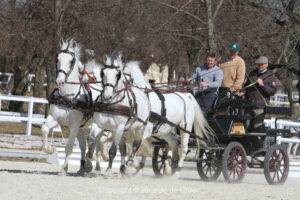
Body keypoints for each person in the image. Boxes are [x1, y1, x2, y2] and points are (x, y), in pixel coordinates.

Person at [245, 56, 279, 130]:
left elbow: (272, 91)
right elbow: (246, 86)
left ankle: (257, 141)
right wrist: (242, 92)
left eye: (262, 64)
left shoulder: (271, 76)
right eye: (259, 64)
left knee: (257, 128)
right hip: (248, 104)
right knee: (244, 128)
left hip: (260, 106)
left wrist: (262, 85)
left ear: (266, 64)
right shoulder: (252, 73)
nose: (260, 66)